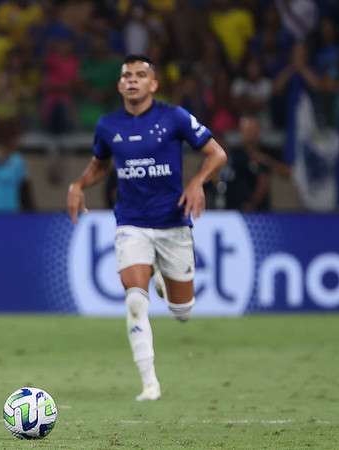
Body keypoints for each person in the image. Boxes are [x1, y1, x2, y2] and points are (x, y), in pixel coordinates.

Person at [66, 55, 227, 402]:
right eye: (127, 75)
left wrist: (198, 182)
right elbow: (99, 166)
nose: (133, 80)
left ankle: (163, 281)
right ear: (120, 84)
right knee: (135, 302)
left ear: (154, 84)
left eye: (141, 75)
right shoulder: (109, 125)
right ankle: (149, 383)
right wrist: (79, 185)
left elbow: (217, 154)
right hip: (131, 223)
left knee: (182, 312)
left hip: (173, 223)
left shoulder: (175, 117)